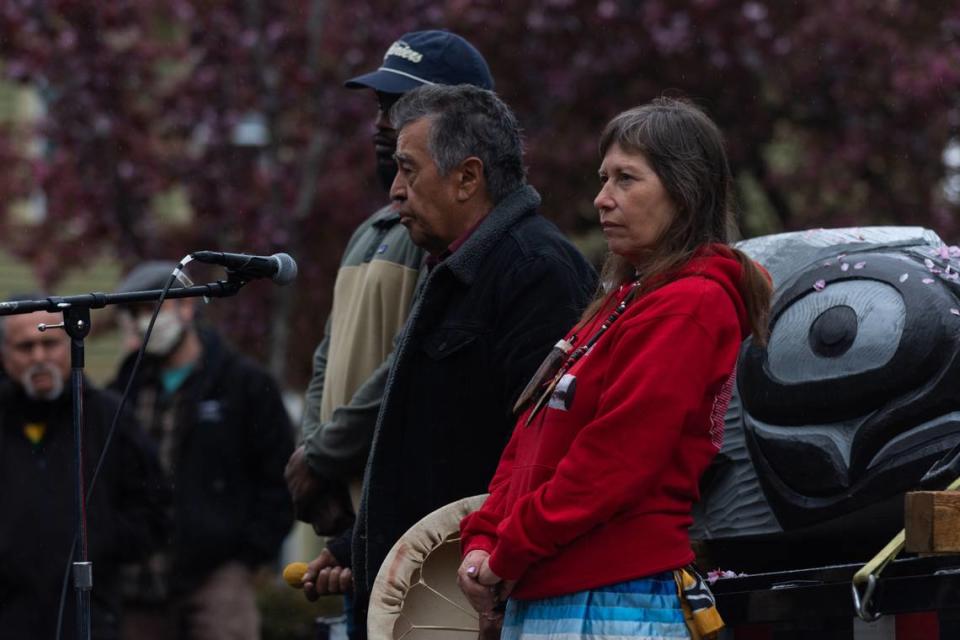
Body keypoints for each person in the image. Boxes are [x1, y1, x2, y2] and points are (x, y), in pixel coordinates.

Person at [456, 98, 773, 639]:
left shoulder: (691, 303)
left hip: (613, 600)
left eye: (627, 179)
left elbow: (614, 459)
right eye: (605, 178)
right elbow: (530, 439)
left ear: (685, 189)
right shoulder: (624, 300)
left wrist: (508, 550)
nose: (602, 199)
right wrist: (484, 538)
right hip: (552, 591)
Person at [301, 84, 598, 637]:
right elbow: (429, 450)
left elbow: (538, 460)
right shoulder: (456, 269)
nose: (394, 192)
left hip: (476, 604)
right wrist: (357, 545)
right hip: (428, 590)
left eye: (408, 171)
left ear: (467, 178)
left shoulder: (538, 273)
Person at [283, 31, 496, 609]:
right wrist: (313, 457)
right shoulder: (374, 229)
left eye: (397, 107)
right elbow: (328, 357)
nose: (380, 124)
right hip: (353, 527)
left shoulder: (449, 242)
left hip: (417, 533)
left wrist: (321, 457)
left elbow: (407, 368)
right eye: (379, 107)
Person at [110, 262, 295, 640]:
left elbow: (279, 475)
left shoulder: (244, 384)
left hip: (219, 576)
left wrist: (248, 555)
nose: (143, 322)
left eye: (151, 310)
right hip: (139, 580)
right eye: (133, 313)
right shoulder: (122, 389)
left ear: (187, 308)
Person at [0, 304, 166, 639]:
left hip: (91, 614)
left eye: (50, 343)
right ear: (4, 354)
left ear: (72, 344)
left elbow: (154, 509)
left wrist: (97, 539)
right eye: (25, 347)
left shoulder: (109, 416)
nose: (38, 357)